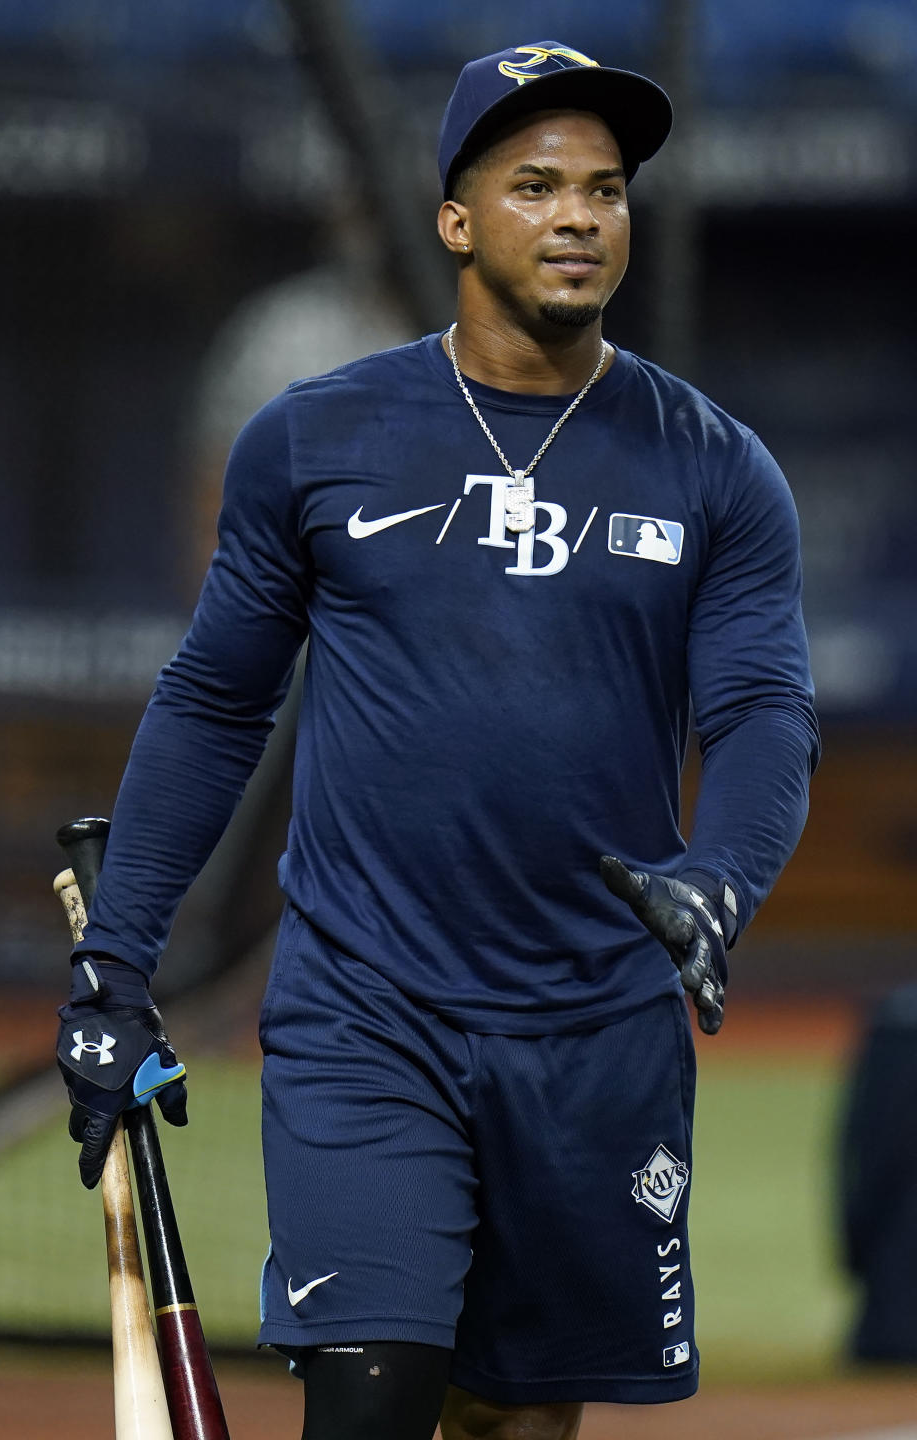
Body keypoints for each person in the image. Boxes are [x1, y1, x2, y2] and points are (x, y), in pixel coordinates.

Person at [56, 41, 820, 1440]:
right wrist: (117, 962)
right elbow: (216, 702)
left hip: (598, 1031)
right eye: (536, 185)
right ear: (456, 220)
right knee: (373, 1397)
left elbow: (765, 712)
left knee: (515, 1421)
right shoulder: (315, 441)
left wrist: (723, 876)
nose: (582, 215)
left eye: (605, 189)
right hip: (369, 1009)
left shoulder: (717, 465)